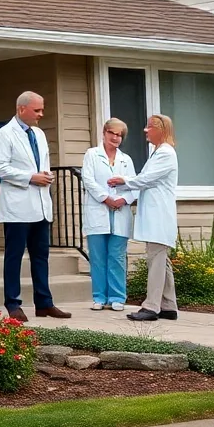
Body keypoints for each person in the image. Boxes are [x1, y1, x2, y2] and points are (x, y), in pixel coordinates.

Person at [0, 91, 72, 322]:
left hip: (40, 204)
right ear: (21, 109)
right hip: (17, 207)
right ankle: (13, 304)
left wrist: (44, 177)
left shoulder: (38, 133)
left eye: (41, 109)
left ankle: (44, 303)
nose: (41, 114)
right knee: (14, 256)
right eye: (37, 110)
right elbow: (0, 169)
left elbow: (42, 164)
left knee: (41, 256)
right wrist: (30, 177)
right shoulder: (5, 134)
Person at [109, 114, 179, 322]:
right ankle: (168, 305)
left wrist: (123, 181)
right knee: (160, 259)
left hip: (159, 215)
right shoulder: (158, 152)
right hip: (154, 214)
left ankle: (151, 307)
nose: (145, 130)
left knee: (155, 260)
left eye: (150, 127)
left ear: (161, 130)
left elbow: (147, 179)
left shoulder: (166, 153)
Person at [81, 118, 136, 311]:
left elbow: (134, 185)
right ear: (104, 133)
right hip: (98, 212)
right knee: (97, 257)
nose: (115, 137)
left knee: (117, 257)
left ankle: (117, 297)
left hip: (120, 213)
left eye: (119, 135)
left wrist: (123, 200)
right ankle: (99, 297)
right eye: (112, 133)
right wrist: (106, 198)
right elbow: (88, 180)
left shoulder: (126, 160)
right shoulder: (92, 155)